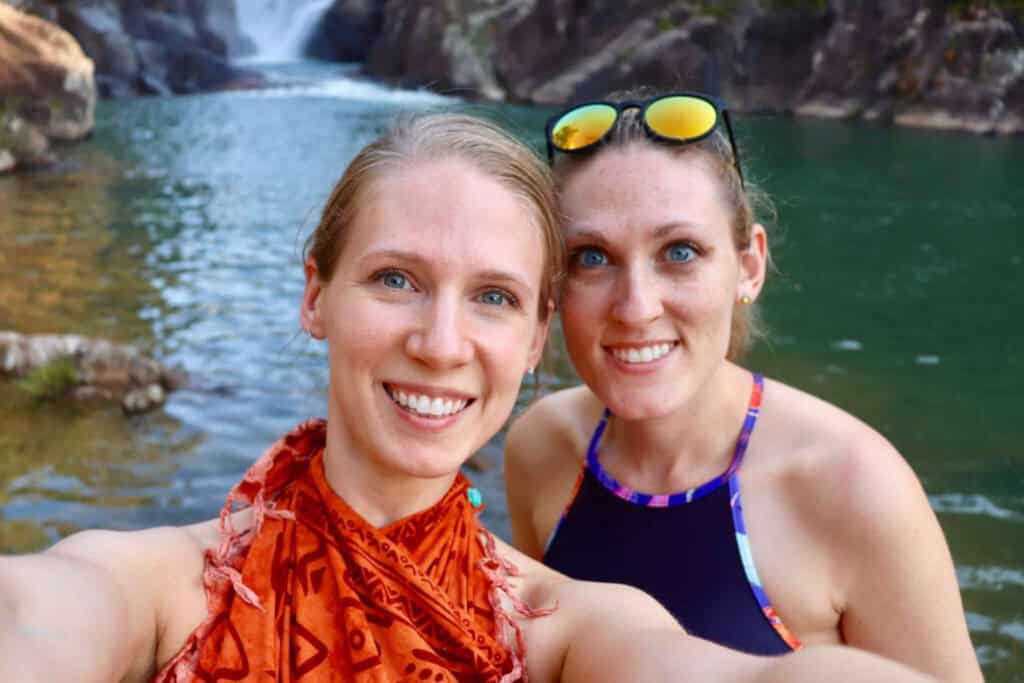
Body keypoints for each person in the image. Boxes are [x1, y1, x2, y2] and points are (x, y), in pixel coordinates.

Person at [0, 112, 935, 683]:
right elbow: (40, 613)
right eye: (396, 278)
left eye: (492, 296)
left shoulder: (565, 626)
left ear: (533, 338)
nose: (442, 343)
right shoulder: (166, 587)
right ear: (315, 294)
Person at [504, 92, 984, 682]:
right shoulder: (542, 446)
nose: (635, 307)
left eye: (679, 252)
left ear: (749, 266)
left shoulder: (852, 486)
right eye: (592, 258)